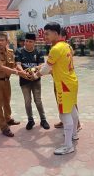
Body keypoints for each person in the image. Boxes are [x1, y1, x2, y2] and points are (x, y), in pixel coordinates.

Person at [32, 22, 79, 155]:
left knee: (64, 114)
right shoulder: (67, 45)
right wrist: (39, 68)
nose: (44, 36)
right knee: (73, 110)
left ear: (56, 33)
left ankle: (68, 146)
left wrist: (36, 74)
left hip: (63, 85)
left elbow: (47, 68)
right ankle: (74, 134)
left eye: (47, 34)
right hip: (72, 81)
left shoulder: (56, 48)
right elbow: (53, 65)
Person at [0, 32, 27, 137]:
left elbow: (13, 66)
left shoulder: (10, 52)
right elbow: (1, 67)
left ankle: (8, 119)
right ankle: (3, 127)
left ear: (7, 42)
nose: (0, 42)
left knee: (7, 101)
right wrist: (18, 73)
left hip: (6, 81)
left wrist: (22, 71)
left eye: (2, 40)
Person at [15, 33, 50, 130]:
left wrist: (32, 70)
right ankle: (30, 120)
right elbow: (18, 64)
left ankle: (43, 119)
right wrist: (24, 72)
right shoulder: (19, 51)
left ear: (34, 42)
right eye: (26, 41)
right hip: (24, 80)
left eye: (30, 41)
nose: (27, 43)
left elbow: (42, 65)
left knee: (38, 101)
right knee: (27, 102)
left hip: (36, 80)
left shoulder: (39, 52)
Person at [53, 29, 82, 131]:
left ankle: (74, 125)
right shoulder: (63, 47)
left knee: (70, 104)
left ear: (64, 37)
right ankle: (66, 122)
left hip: (64, 80)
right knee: (63, 103)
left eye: (58, 35)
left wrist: (36, 73)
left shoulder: (62, 47)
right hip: (60, 79)